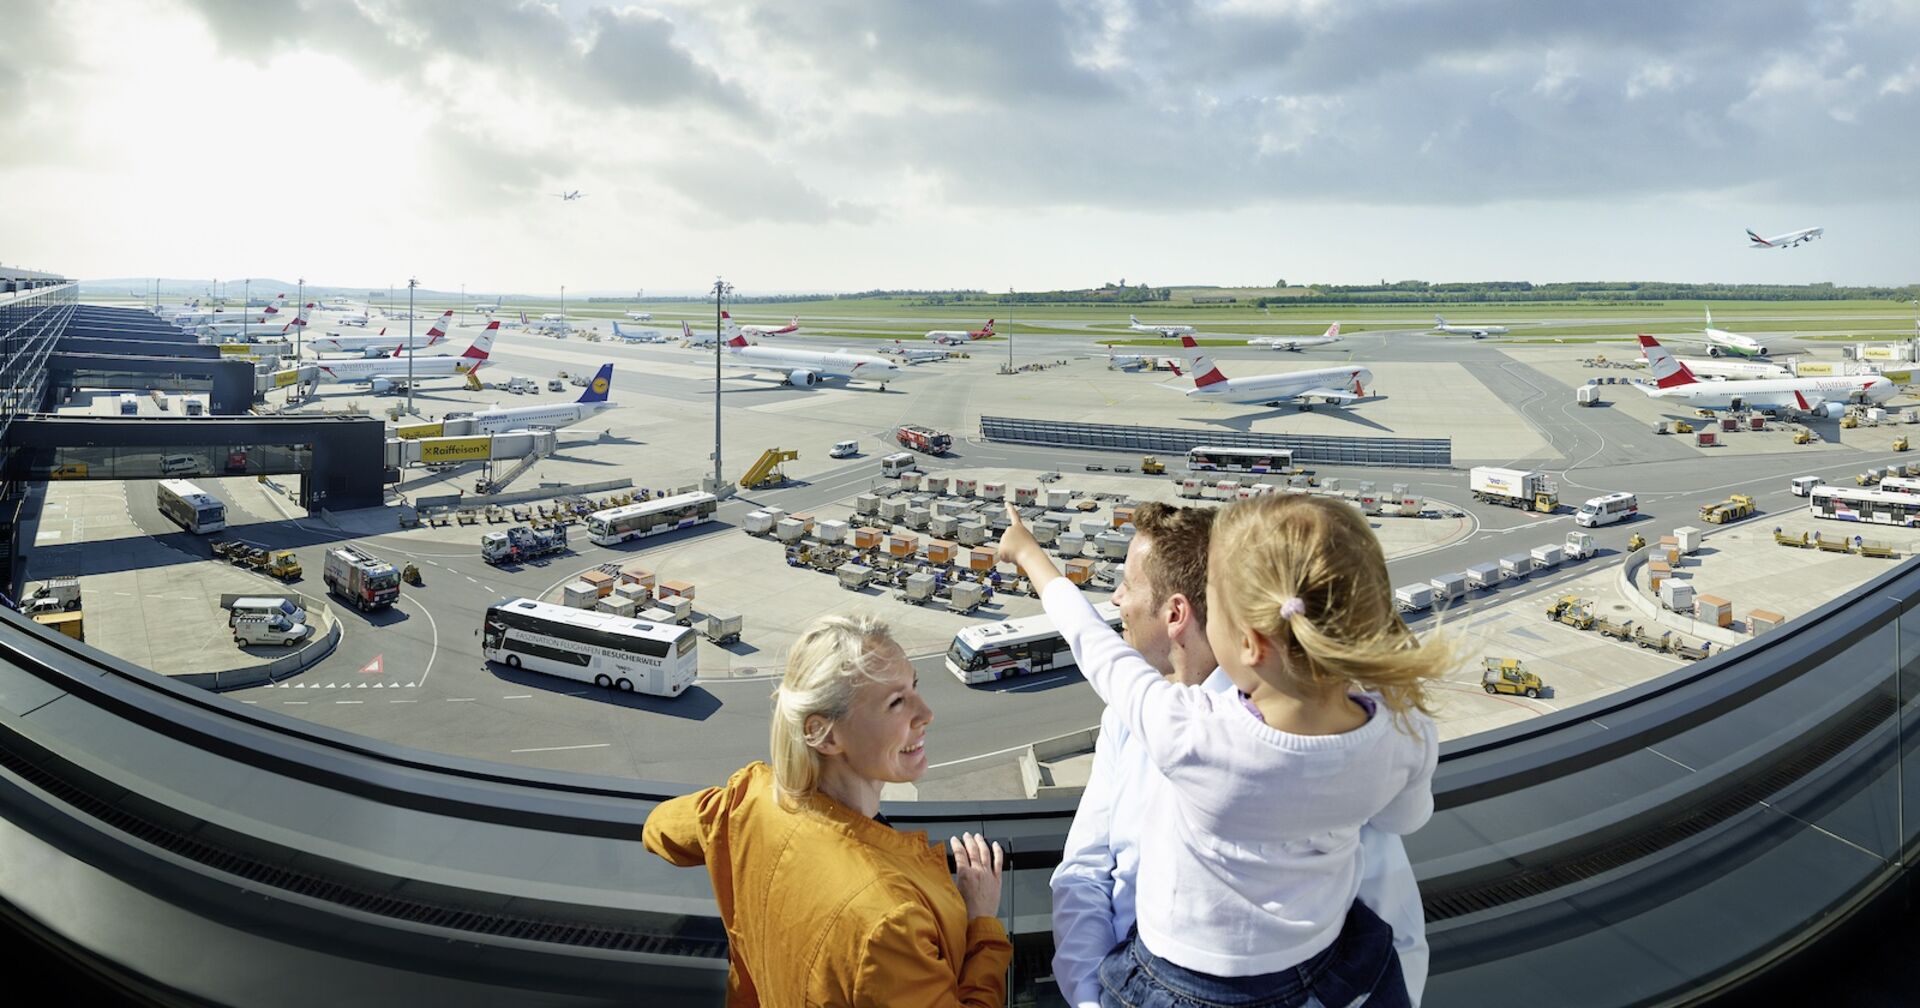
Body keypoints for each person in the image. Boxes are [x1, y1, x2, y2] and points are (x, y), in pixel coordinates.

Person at [1000, 494, 1453, 1008]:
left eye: (1214, 602)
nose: (1115, 598)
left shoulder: (1186, 730)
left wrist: (1032, 557)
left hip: (1179, 987)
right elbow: (1406, 819)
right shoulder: (1396, 733)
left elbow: (1091, 644)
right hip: (1323, 971)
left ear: (1246, 640)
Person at [643, 615, 1012, 1006]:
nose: (926, 714)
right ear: (824, 734)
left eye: (914, 687)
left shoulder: (747, 800)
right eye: (896, 702)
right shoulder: (889, 921)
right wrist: (981, 925)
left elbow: (657, 829)